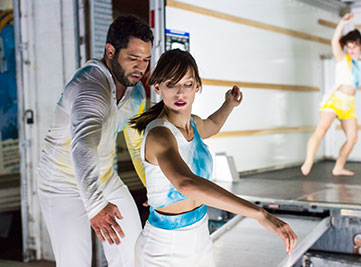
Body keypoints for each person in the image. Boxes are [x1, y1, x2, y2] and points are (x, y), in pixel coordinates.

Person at [131, 49, 297, 267]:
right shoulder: (160, 134)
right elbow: (186, 183)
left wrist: (229, 103)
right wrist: (260, 214)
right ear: (158, 87)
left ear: (197, 86)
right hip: (164, 247)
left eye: (187, 84)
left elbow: (213, 124)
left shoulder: (194, 125)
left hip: (200, 237)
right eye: (171, 84)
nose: (180, 93)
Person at [37, 15, 152, 267]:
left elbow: (136, 144)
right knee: (74, 263)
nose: (140, 68)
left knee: (132, 253)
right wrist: (97, 205)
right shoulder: (90, 87)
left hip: (103, 176)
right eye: (133, 58)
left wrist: (153, 186)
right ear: (110, 51)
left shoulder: (136, 92)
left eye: (145, 60)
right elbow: (83, 147)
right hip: (61, 184)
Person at [301, 13, 361, 177]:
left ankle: (338, 167)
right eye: (348, 46)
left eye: (354, 46)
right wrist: (341, 23)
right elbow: (334, 42)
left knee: (352, 138)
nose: (351, 50)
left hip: (349, 104)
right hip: (335, 100)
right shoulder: (342, 59)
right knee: (322, 130)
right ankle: (309, 160)